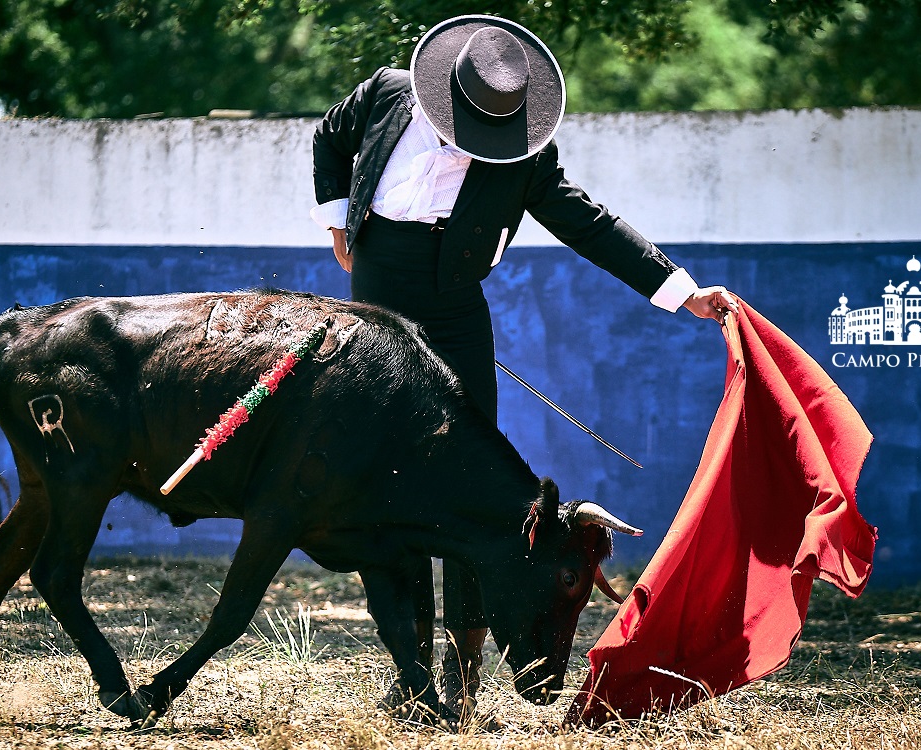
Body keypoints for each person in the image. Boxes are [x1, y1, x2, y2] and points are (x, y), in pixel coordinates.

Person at [309, 14, 738, 721]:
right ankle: (410, 675)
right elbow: (330, 136)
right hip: (378, 294)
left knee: (477, 486)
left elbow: (588, 221)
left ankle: (464, 675)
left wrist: (682, 290)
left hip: (454, 303)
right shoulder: (386, 92)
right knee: (392, 481)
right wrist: (335, 222)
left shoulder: (524, 156)